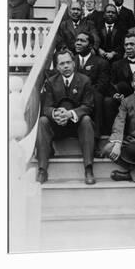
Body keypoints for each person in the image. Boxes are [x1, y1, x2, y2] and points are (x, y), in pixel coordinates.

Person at [36, 49, 96, 185]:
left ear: (74, 63)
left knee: (86, 120)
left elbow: (88, 106)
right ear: (57, 66)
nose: (66, 66)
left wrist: (70, 114)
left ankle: (88, 168)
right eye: (62, 64)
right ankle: (42, 169)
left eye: (68, 62)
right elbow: (46, 107)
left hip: (77, 125)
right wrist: (55, 113)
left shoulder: (85, 80)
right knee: (43, 121)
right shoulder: (51, 82)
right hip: (58, 125)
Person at [74, 31, 110, 142]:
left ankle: (96, 137)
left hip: (91, 95)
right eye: (77, 40)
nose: (78, 43)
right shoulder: (70, 61)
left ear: (90, 45)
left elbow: (102, 84)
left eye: (82, 41)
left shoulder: (101, 62)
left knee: (97, 96)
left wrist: (85, 93)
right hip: (72, 94)